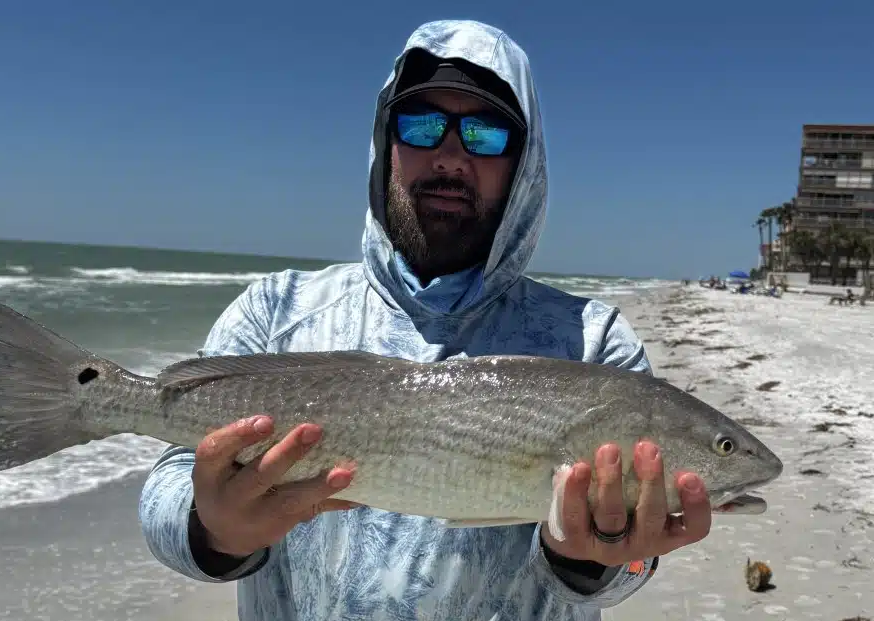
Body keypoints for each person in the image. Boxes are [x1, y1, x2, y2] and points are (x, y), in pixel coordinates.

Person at [139, 19, 712, 620]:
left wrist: (597, 559)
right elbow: (169, 488)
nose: (450, 156)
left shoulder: (595, 344)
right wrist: (213, 531)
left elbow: (637, 570)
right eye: (422, 125)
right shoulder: (274, 312)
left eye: (485, 134)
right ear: (386, 144)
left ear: (524, 165)